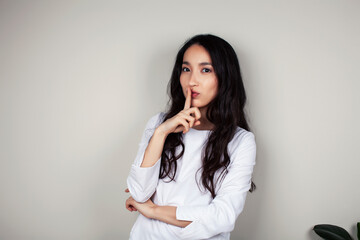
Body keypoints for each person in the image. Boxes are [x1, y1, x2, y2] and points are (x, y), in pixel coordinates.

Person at [125, 34, 257, 240]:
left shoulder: (241, 141)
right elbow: (139, 193)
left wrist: (153, 211)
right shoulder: (158, 124)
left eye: (205, 70)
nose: (192, 81)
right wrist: (161, 132)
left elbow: (222, 217)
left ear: (225, 77)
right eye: (186, 69)